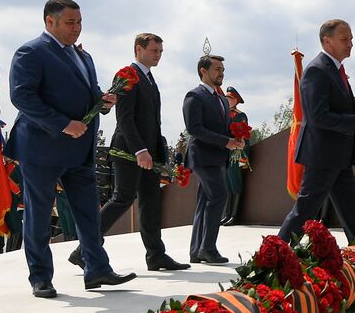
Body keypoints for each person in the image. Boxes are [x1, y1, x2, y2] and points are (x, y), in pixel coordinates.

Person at [4, 0, 135, 298]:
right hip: (41, 149)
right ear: (50, 21)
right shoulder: (31, 52)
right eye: (70, 22)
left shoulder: (83, 56)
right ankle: (40, 277)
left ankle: (97, 269)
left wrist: (102, 102)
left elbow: (86, 94)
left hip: (79, 150)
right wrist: (63, 123)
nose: (76, 28)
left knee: (89, 212)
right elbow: (22, 97)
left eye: (79, 22)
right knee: (38, 215)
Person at [73, 33, 188, 270]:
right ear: (139, 49)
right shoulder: (127, 75)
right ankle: (83, 249)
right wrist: (140, 150)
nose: (158, 55)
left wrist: (156, 152)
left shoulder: (149, 78)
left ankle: (156, 255)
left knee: (151, 202)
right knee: (122, 199)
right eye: (154, 50)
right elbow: (124, 118)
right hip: (129, 150)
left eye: (160, 52)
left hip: (149, 152)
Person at [278, 19, 355, 246]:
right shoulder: (317, 70)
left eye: (351, 39)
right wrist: (354, 121)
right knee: (304, 212)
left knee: (353, 212)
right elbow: (317, 116)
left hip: (338, 156)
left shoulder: (336, 70)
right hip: (322, 156)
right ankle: (273, 258)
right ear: (327, 41)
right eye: (344, 39)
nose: (350, 43)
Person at [182, 55, 243, 263]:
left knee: (205, 200)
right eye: (217, 69)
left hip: (217, 157)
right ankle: (208, 249)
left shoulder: (220, 99)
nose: (221, 73)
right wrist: (225, 141)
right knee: (219, 195)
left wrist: (236, 138)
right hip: (202, 157)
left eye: (222, 69)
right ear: (203, 71)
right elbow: (195, 129)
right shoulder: (194, 96)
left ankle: (196, 251)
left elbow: (224, 128)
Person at [221, 85, 249, 225]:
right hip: (226, 152)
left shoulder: (240, 115)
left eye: (230, 98)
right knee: (227, 183)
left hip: (236, 152)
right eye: (226, 97)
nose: (227, 99)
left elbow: (243, 135)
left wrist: (242, 154)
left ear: (236, 100)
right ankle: (227, 214)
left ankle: (234, 215)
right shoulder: (225, 114)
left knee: (235, 182)